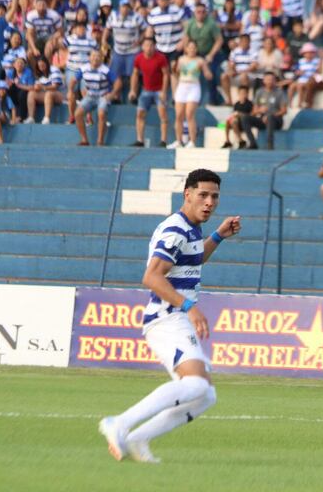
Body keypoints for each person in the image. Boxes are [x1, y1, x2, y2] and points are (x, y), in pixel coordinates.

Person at [99, 169, 241, 464]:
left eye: (214, 196)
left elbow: (193, 257)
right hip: (168, 318)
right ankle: (120, 424)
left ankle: (139, 439)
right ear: (186, 194)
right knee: (197, 386)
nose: (209, 202)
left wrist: (218, 236)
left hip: (176, 318)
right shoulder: (175, 229)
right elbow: (151, 277)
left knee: (206, 395)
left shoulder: (191, 229)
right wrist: (189, 307)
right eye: (202, 195)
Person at [171, 39, 212, 149]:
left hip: (193, 87)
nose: (192, 49)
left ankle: (192, 141)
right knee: (179, 115)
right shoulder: (181, 59)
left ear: (196, 49)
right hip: (182, 86)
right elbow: (176, 74)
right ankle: (178, 140)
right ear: (186, 49)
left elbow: (208, 75)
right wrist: (174, 68)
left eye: (194, 47)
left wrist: (206, 71)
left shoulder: (200, 60)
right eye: (190, 47)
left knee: (189, 114)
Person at [129, 37, 169, 148]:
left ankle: (163, 141)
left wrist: (164, 91)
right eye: (146, 45)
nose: (148, 48)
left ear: (154, 46)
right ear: (142, 47)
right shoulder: (139, 58)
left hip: (159, 90)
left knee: (163, 115)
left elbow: (166, 74)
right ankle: (140, 140)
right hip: (146, 90)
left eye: (151, 45)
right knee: (140, 114)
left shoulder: (161, 58)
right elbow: (135, 74)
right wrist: (133, 90)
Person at [104, 0, 145, 103]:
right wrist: (103, 40)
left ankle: (132, 94)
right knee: (115, 73)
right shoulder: (113, 16)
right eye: (123, 6)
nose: (125, 9)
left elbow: (146, 29)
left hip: (133, 50)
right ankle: (116, 96)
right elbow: (107, 29)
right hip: (118, 50)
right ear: (119, 7)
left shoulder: (136, 17)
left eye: (127, 6)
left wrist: (140, 40)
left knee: (133, 72)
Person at [75, 49, 115, 146]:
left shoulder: (106, 70)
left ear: (101, 58)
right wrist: (70, 90)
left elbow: (118, 82)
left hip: (102, 96)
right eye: (93, 56)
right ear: (89, 58)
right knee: (77, 114)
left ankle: (100, 141)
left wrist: (112, 94)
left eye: (98, 56)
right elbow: (74, 79)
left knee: (101, 113)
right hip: (90, 96)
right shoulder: (83, 68)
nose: (95, 58)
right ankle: (84, 139)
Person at [241, 70, 287, 150]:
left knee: (270, 118)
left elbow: (284, 111)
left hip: (276, 120)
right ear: (264, 81)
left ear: (275, 81)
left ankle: (270, 145)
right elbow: (254, 112)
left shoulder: (279, 92)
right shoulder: (259, 92)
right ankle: (252, 143)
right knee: (245, 118)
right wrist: (259, 111)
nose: (270, 81)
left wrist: (271, 115)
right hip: (262, 119)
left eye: (272, 79)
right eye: (268, 79)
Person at [26, 55, 63, 124]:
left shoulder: (54, 69)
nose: (41, 67)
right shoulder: (39, 74)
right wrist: (36, 88)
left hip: (59, 95)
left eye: (42, 64)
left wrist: (43, 87)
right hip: (46, 95)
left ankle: (46, 118)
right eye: (39, 66)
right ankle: (31, 118)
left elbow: (55, 86)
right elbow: (37, 87)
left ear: (46, 63)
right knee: (31, 94)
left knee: (48, 93)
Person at [222, 84, 252, 149]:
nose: (242, 95)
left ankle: (241, 140)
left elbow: (251, 115)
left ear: (247, 94)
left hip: (244, 123)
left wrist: (239, 114)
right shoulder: (237, 104)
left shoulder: (249, 104)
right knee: (228, 121)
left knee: (233, 121)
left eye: (244, 93)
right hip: (236, 121)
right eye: (241, 93)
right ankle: (227, 141)